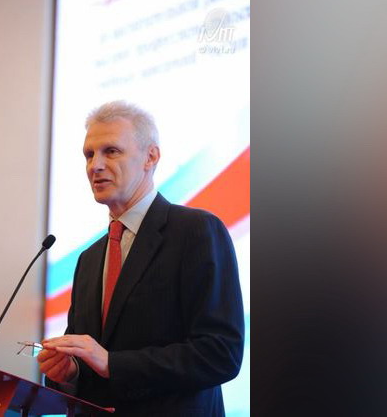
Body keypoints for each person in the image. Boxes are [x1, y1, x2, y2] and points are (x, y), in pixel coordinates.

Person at [38, 101, 244, 416]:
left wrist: (113, 363)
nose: (95, 165)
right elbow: (88, 367)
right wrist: (70, 373)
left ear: (151, 157)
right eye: (89, 155)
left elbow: (220, 353)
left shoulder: (196, 231)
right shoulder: (89, 260)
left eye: (111, 151)